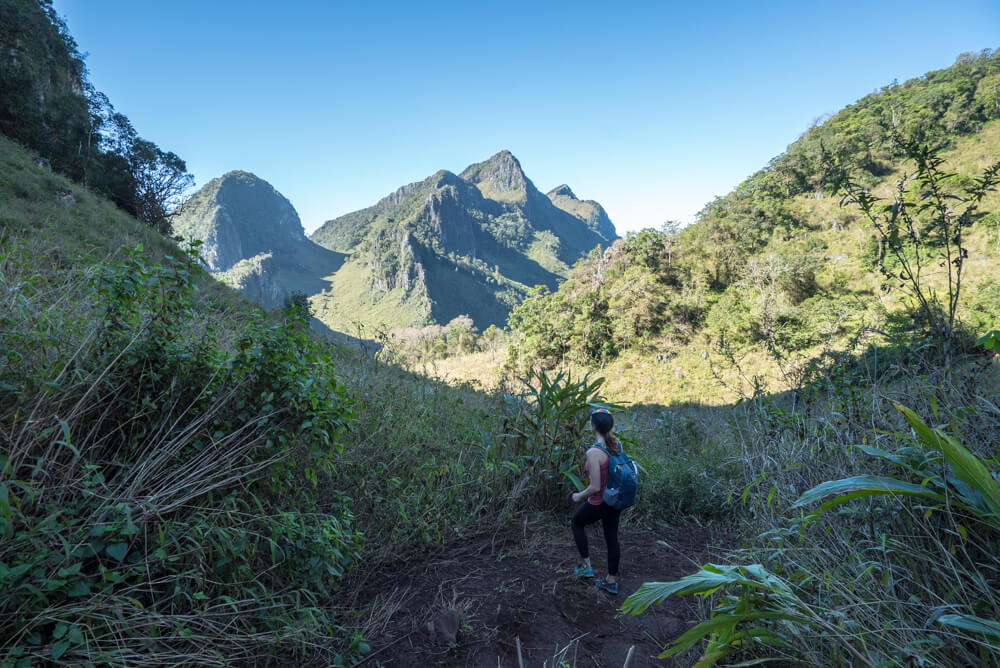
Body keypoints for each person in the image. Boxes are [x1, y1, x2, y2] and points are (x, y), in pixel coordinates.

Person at [570, 408, 622, 595]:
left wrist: (579, 496)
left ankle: (587, 567)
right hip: (615, 501)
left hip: (599, 502)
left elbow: (594, 487)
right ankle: (611, 580)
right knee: (611, 539)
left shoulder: (594, 453)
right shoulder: (616, 444)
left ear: (593, 426)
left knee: (576, 522)